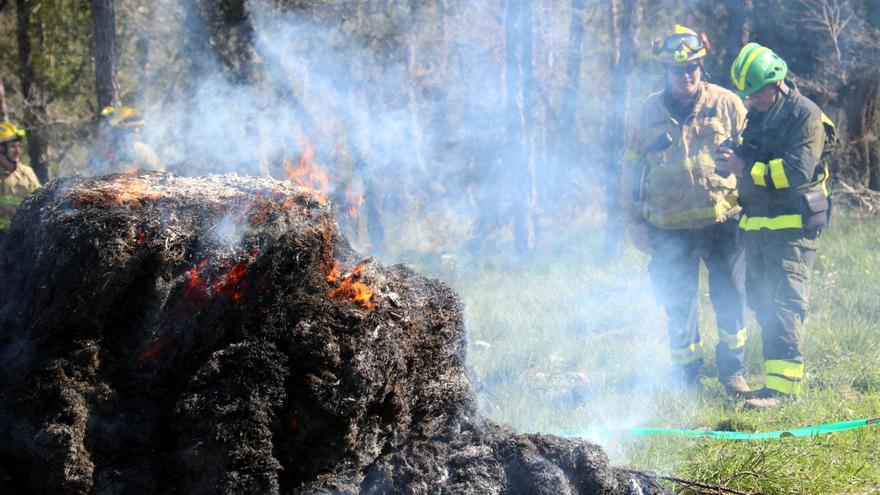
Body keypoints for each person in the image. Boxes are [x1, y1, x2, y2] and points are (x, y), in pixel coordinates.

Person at [621, 25, 750, 395]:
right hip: (669, 229)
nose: (686, 74)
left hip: (722, 222)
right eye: (678, 69)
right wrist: (633, 221)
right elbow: (630, 171)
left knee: (731, 300)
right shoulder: (646, 113)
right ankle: (687, 378)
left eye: (693, 66)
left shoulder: (726, 104)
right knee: (678, 305)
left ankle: (732, 373)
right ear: (665, 71)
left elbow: (752, 156)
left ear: (701, 65)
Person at [718, 43, 835, 409]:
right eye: (746, 95)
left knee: (785, 302)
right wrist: (731, 160)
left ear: (777, 82)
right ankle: (773, 382)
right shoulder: (760, 115)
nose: (750, 101)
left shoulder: (806, 116)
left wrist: (745, 169)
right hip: (759, 228)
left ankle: (782, 393)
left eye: (755, 93)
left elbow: (795, 172)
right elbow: (754, 161)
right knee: (763, 302)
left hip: (792, 230)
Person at [90, 106, 164, 174]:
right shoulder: (109, 149)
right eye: (101, 126)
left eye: (104, 126)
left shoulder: (137, 149)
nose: (100, 130)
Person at [0, 121, 41, 244]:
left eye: (18, 146)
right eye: (13, 146)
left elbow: (41, 204)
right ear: (1, 148)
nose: (17, 151)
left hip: (21, 239)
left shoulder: (27, 174)